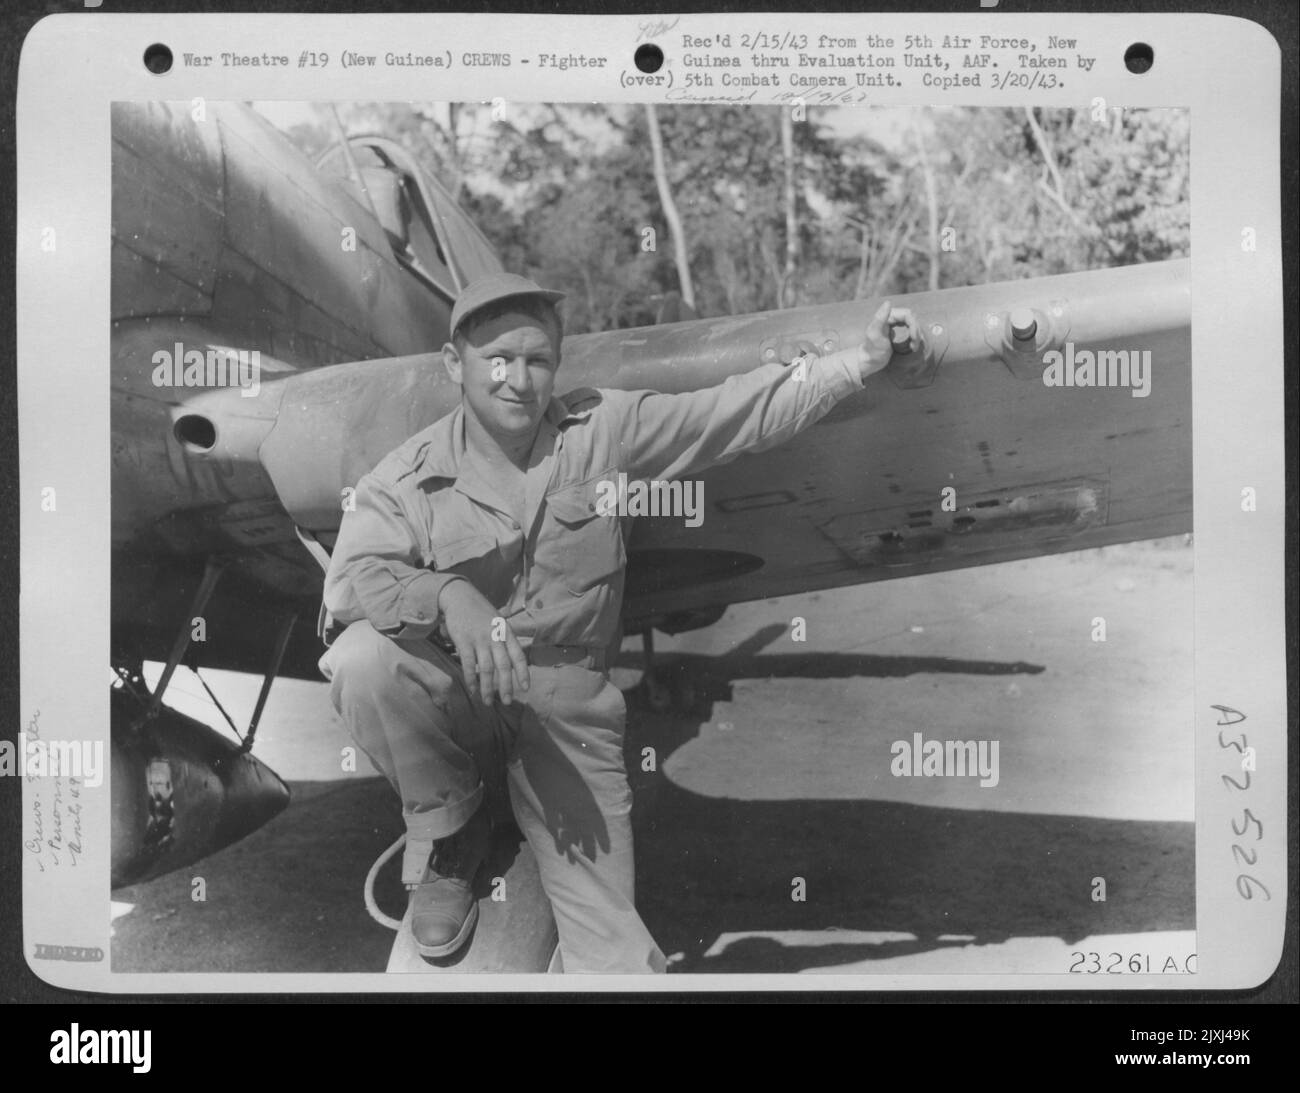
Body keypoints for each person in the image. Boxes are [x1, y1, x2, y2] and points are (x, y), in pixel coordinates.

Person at [317, 272, 917, 973]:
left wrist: (858, 363)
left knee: (615, 962)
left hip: (567, 717)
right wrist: (450, 595)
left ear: (557, 366)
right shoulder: (406, 475)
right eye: (497, 360)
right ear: (457, 366)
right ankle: (448, 827)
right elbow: (348, 591)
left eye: (537, 360)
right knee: (362, 660)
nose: (518, 379)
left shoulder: (604, 428)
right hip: (465, 695)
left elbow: (729, 413)